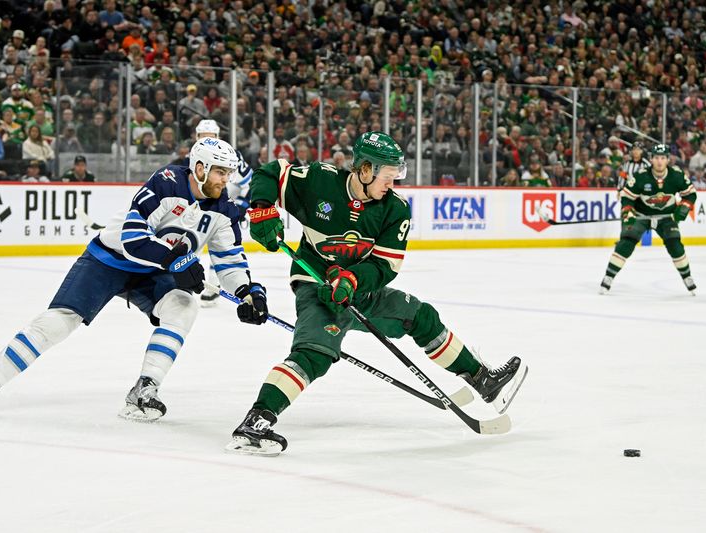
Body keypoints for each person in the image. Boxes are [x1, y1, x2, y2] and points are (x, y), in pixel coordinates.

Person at [226, 132, 528, 456]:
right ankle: (256, 422)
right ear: (366, 170)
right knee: (315, 351)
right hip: (316, 287)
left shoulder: (394, 209)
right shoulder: (320, 182)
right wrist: (261, 209)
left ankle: (482, 379)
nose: (391, 185)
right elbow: (272, 172)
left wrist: (353, 280)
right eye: (387, 177)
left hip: (359, 290)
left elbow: (385, 266)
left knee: (420, 316)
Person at [0, 138, 270, 421]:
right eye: (219, 172)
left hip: (153, 273)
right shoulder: (167, 181)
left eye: (228, 174)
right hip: (109, 259)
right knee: (59, 321)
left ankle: (144, 390)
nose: (225, 180)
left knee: (184, 305)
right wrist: (176, 259)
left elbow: (229, 259)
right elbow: (133, 237)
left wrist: (248, 291)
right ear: (200, 168)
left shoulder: (224, 211)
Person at [600, 143, 697, 294]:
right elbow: (627, 197)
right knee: (627, 241)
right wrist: (628, 211)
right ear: (651, 159)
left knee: (675, 244)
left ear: (667, 160)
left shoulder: (676, 176)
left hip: (666, 217)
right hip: (641, 215)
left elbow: (691, 194)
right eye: (656, 158)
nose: (659, 161)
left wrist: (684, 207)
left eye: (663, 158)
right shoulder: (640, 176)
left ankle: (687, 277)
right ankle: (608, 277)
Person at [190, 119, 254, 308]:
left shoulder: (231, 156)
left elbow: (250, 184)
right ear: (196, 136)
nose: (206, 141)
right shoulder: (193, 156)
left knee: (222, 247)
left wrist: (241, 205)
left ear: (218, 137)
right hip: (194, 210)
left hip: (220, 209)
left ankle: (213, 285)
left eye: (211, 137)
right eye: (203, 137)